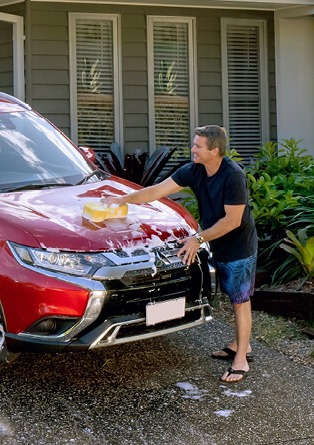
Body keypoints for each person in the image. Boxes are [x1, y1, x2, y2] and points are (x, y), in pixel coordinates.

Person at [103, 125, 258, 383]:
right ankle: (241, 344)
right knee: (232, 296)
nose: (193, 149)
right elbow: (157, 191)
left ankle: (241, 359)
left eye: (198, 146)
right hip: (215, 240)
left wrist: (197, 238)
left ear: (215, 151)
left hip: (238, 245)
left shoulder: (233, 176)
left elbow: (232, 221)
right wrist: (123, 200)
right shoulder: (194, 170)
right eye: (194, 144)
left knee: (240, 300)